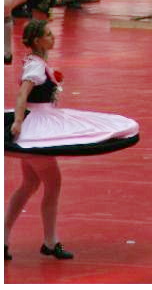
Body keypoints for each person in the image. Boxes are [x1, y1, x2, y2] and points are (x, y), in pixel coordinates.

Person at [5, 19, 139, 261]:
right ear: (37, 41)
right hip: (37, 128)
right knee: (52, 183)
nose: (53, 37)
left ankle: (7, 238)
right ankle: (49, 241)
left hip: (39, 125)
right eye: (48, 34)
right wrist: (18, 121)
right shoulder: (35, 66)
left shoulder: (37, 62)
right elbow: (23, 93)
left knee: (29, 184)